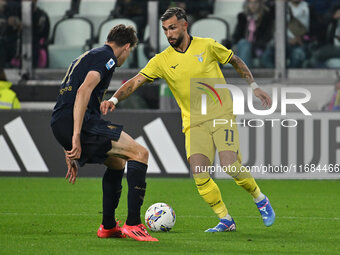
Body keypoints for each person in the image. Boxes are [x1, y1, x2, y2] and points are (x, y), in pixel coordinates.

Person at [101, 8, 275, 232]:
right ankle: (225, 219)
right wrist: (114, 99)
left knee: (230, 165)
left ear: (185, 25)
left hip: (221, 114)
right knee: (200, 175)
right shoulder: (162, 60)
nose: (169, 34)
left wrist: (255, 87)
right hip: (194, 122)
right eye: (165, 30)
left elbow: (236, 61)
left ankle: (260, 199)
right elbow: (135, 82)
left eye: (172, 27)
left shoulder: (207, 46)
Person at [50, 24, 158, 242]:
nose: (126, 57)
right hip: (80, 124)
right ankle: (133, 224)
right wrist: (76, 136)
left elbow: (66, 99)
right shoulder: (107, 58)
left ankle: (108, 226)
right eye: (129, 52)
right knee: (140, 153)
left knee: (117, 163)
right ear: (126, 47)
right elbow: (82, 91)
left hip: (61, 122)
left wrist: (67, 143)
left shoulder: (87, 56)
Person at [232, 0, 274, 68]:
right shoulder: (242, 17)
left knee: (245, 45)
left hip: (259, 47)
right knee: (244, 44)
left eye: (255, 2)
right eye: (250, 3)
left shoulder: (267, 17)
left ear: (260, 4)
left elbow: (267, 36)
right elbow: (236, 35)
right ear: (247, 4)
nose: (253, 5)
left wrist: (252, 45)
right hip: (243, 46)